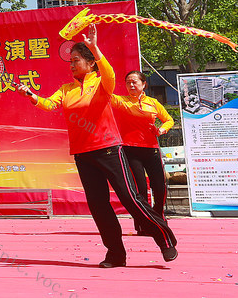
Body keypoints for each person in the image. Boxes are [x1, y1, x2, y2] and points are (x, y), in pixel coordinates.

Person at [17, 25, 177, 268]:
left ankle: (164, 239)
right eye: (70, 61)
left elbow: (110, 73)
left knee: (131, 199)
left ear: (91, 63)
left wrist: (95, 48)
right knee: (99, 207)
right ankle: (115, 254)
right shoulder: (67, 89)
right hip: (83, 154)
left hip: (109, 150)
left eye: (76, 60)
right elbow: (49, 104)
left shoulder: (102, 83)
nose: (71, 65)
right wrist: (30, 94)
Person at [112, 70, 174, 234]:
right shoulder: (121, 101)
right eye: (128, 82)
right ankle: (143, 223)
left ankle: (159, 218)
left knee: (159, 187)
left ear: (143, 84)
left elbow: (169, 120)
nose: (131, 85)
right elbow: (106, 94)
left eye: (134, 82)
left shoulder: (153, 102)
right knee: (139, 190)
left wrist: (160, 130)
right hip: (130, 150)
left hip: (151, 150)